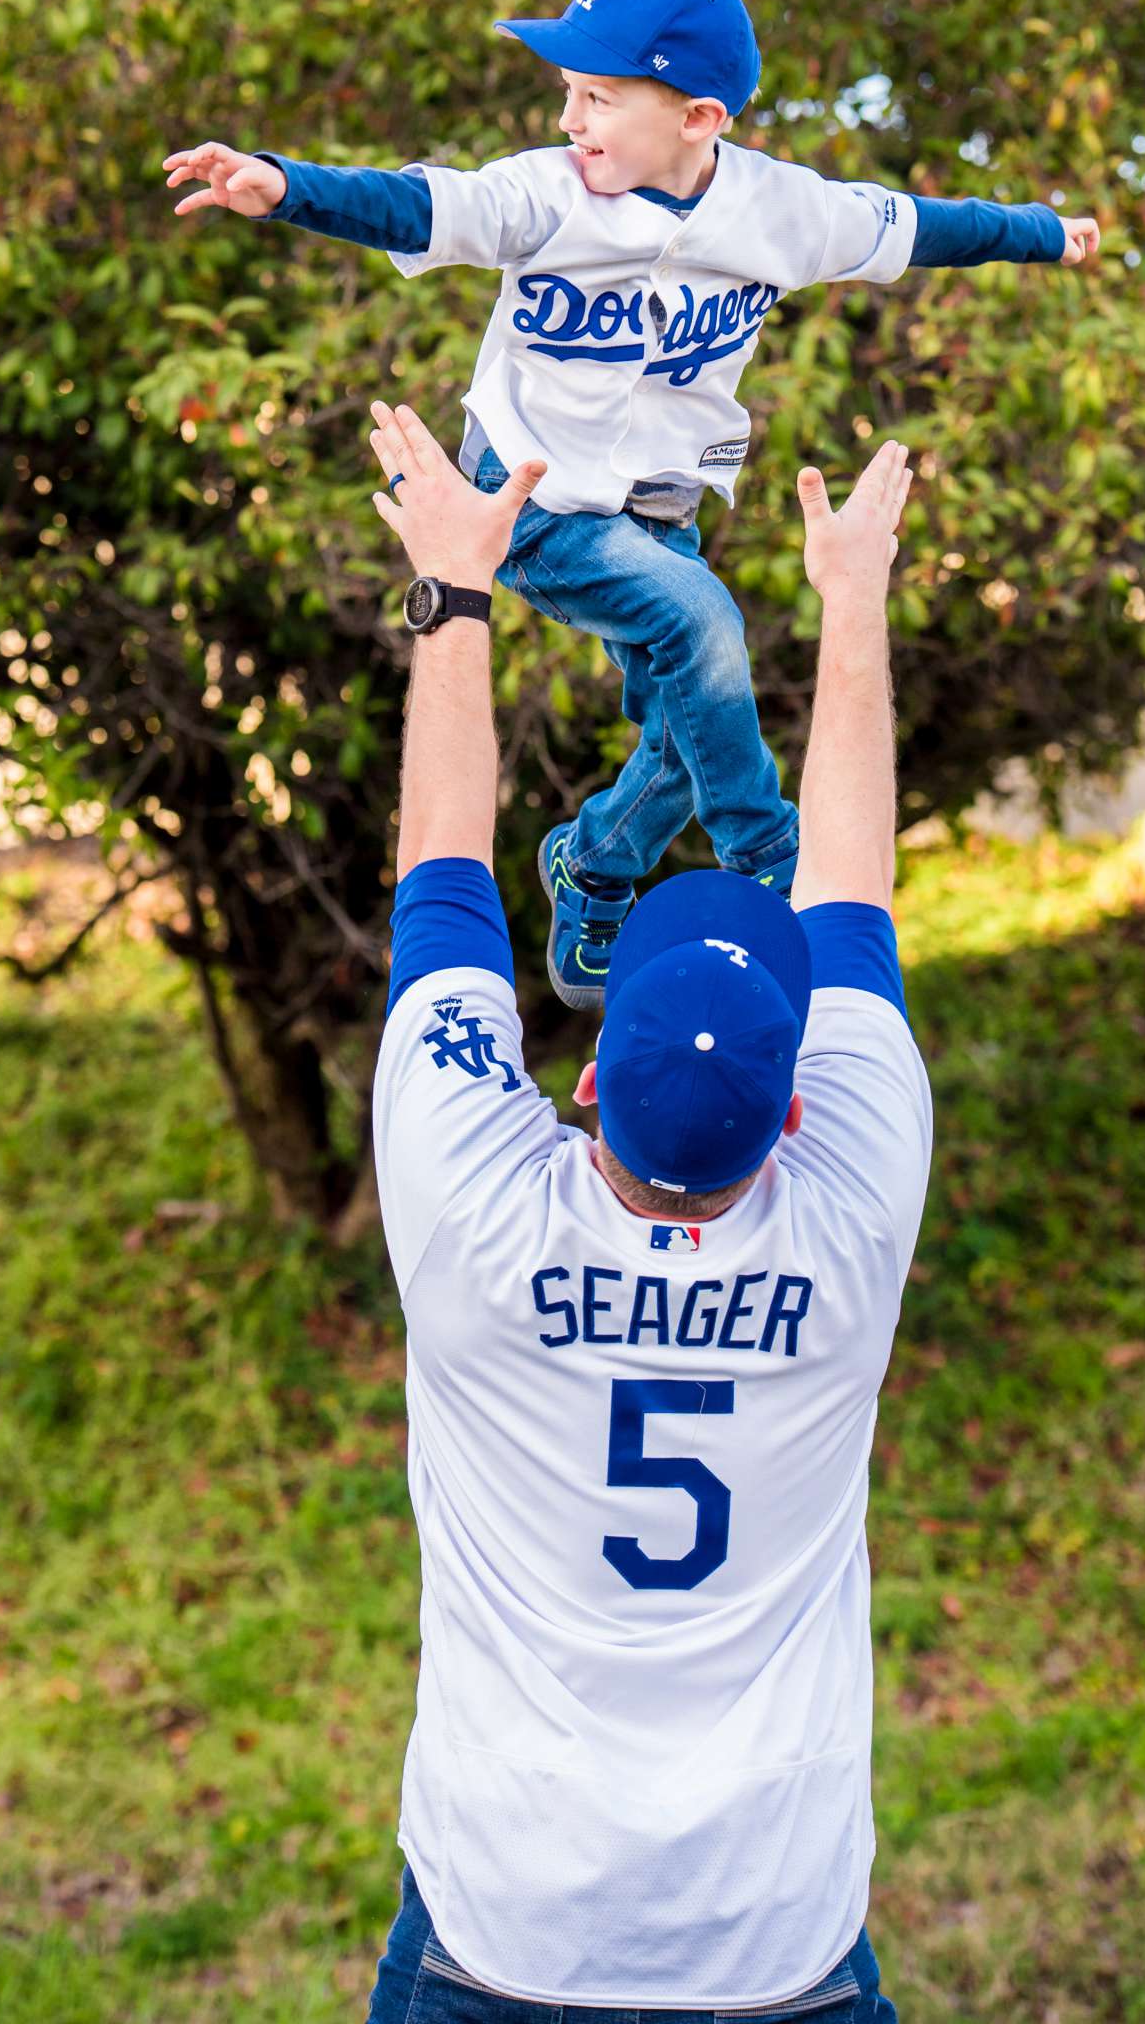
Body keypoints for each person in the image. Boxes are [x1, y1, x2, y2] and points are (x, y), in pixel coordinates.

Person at [164, 0, 1099, 1009]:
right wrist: (283, 187)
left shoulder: (784, 212)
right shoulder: (543, 195)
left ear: (699, 116)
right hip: (534, 504)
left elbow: (925, 228)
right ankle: (766, 854)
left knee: (683, 721)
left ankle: (594, 866)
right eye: (567, 93)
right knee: (706, 629)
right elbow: (425, 206)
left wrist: (1041, 234)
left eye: (598, 98)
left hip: (665, 507)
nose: (572, 120)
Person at [361, 395, 931, 2020]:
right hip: (772, 1951)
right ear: (798, 1108)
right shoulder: (849, 1217)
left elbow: (443, 878)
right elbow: (851, 887)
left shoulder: (474, 1207)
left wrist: (456, 592)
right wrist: (850, 601)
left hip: (502, 1935)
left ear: (587, 1083)